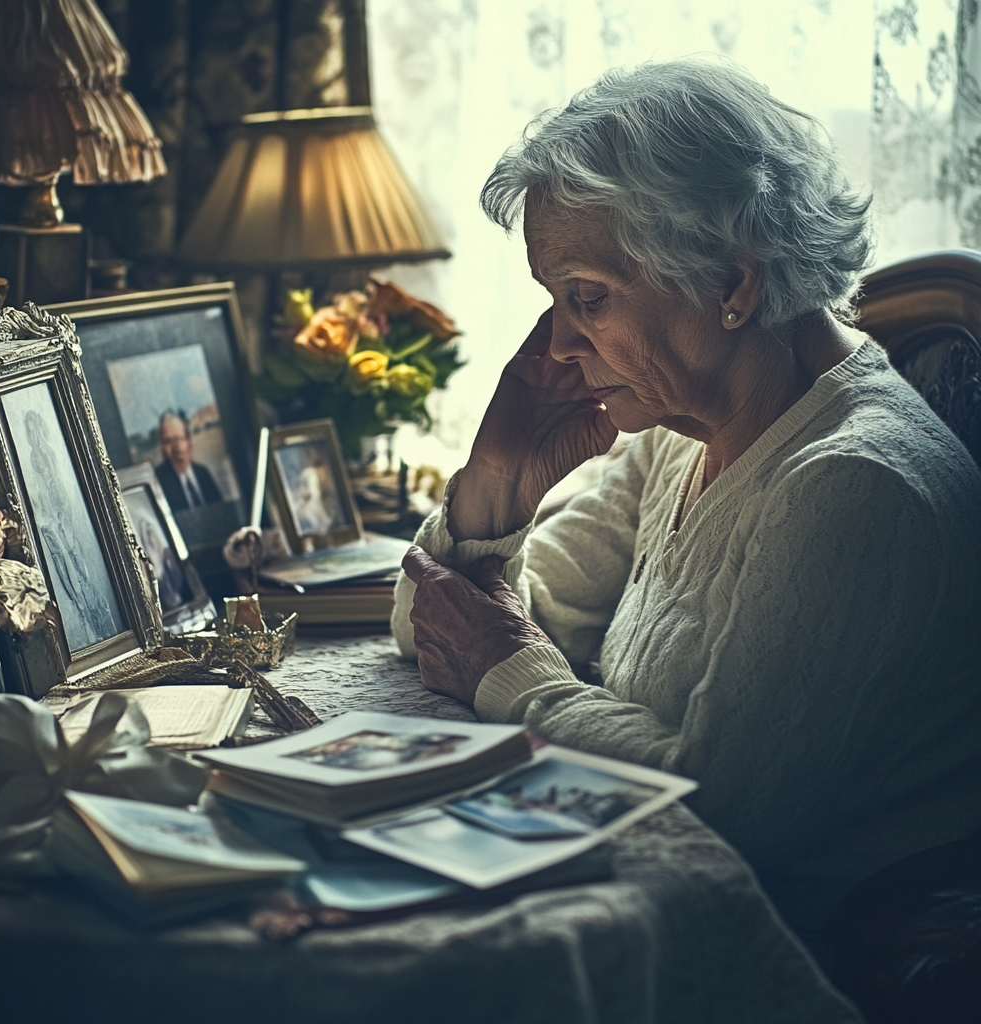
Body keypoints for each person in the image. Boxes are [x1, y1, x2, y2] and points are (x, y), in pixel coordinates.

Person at [391, 57, 981, 957]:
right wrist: (493, 486)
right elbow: (440, 631)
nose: (554, 344)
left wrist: (509, 669)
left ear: (734, 287)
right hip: (650, 892)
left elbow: (722, 813)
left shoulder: (858, 484)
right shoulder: (680, 422)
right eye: (551, 300)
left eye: (586, 297)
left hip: (798, 943)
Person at [154, 411, 222, 513]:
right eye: (169, 441)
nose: (176, 446)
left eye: (180, 438)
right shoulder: (158, 481)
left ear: (189, 441)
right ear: (162, 448)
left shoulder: (203, 472)